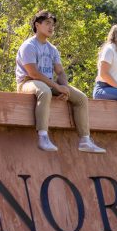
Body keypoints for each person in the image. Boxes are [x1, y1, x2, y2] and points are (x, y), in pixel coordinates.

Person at [15, 10, 105, 153]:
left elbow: (60, 72)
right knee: (44, 92)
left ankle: (85, 140)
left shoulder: (52, 49)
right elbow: (33, 73)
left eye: (53, 25)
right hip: (27, 82)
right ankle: (43, 137)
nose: (51, 27)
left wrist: (64, 87)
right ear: (37, 25)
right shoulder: (29, 46)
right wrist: (56, 86)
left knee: (81, 98)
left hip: (48, 83)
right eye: (47, 23)